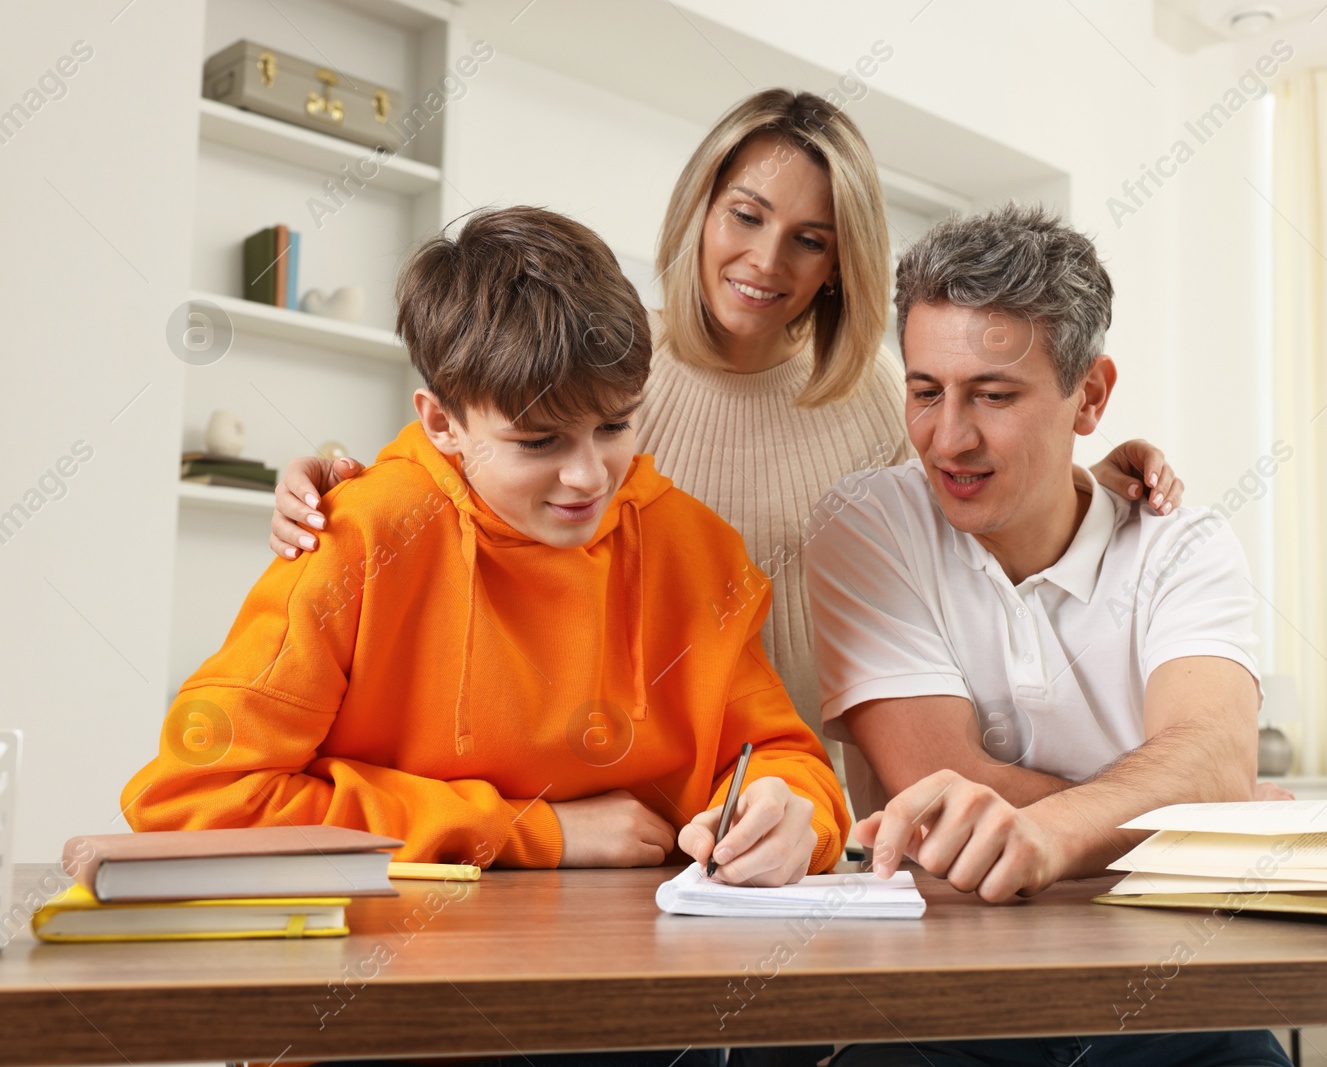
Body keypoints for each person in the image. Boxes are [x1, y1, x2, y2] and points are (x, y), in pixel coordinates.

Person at [263, 91, 1185, 795]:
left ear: (838, 264)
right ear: (702, 208)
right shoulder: (613, 372)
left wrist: (1076, 473)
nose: (766, 262)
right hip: (637, 772)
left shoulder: (877, 398)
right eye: (746, 215)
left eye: (809, 240)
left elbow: (968, 515)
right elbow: (463, 460)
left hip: (814, 777)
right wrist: (333, 479)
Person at [124, 207, 848, 913]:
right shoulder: (355, 539)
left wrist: (793, 820)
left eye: (615, 425)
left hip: (636, 989)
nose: (589, 476)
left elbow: (791, 765)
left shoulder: (698, 551)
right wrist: (532, 828)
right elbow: (194, 796)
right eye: (539, 442)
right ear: (442, 422)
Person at [808, 204, 1292, 1067]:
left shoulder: (1183, 544)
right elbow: (941, 789)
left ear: (1091, 396)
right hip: (944, 1010)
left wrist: (1062, 827)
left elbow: (1213, 756)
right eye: (925, 392)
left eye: (993, 395)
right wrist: (1186, 816)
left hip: (1175, 999)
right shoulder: (867, 525)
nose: (949, 438)